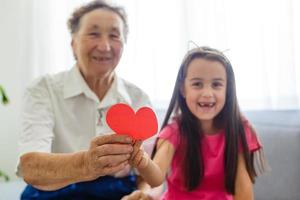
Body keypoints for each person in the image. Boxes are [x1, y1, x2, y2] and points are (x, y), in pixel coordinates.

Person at [17, 0, 154, 199]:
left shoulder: (138, 98)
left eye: (114, 35)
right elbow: (31, 167)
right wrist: (87, 164)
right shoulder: (43, 89)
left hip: (120, 191)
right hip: (53, 190)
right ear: (73, 44)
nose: (105, 46)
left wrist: (143, 193)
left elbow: (146, 171)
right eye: (93, 34)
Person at [124, 46, 269, 200]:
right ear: (183, 89)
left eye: (216, 84)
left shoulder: (240, 130)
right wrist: (142, 160)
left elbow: (243, 190)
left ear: (228, 90)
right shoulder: (175, 131)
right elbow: (156, 178)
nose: (207, 93)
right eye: (197, 84)